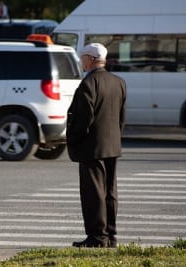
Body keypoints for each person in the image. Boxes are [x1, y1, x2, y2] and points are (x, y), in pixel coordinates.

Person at [66, 43, 126, 248]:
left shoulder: (88, 84)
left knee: (94, 193)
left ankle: (97, 237)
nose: (81, 61)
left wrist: (73, 140)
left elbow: (82, 120)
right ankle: (110, 236)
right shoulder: (118, 82)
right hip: (112, 145)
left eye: (82, 57)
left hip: (92, 148)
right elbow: (121, 117)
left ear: (90, 59)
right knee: (110, 192)